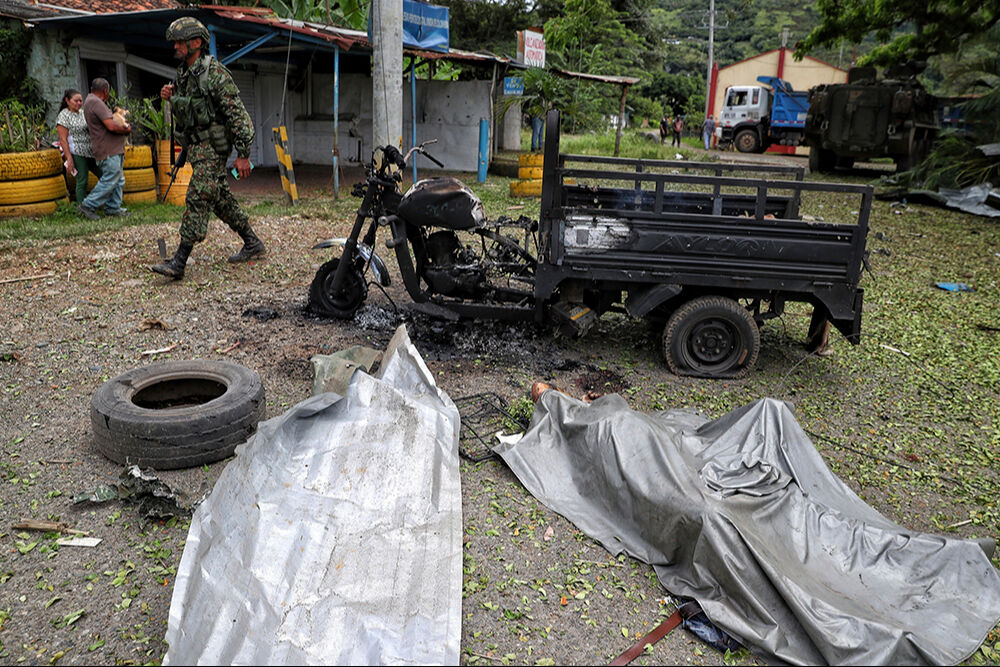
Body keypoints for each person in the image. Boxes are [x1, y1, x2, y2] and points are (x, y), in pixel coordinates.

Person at [151, 17, 263, 280]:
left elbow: (238, 116)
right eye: (175, 41)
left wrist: (244, 155)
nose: (176, 46)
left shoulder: (215, 74)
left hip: (213, 146)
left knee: (198, 195)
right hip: (197, 147)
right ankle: (253, 242)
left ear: (197, 43)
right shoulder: (184, 75)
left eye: (181, 41)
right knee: (219, 199)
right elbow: (191, 112)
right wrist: (171, 96)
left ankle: (179, 261)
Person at [79, 78, 131, 219]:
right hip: (108, 149)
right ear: (105, 91)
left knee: (118, 179)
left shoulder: (91, 102)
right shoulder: (96, 102)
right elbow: (111, 126)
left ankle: (113, 208)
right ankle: (88, 205)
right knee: (110, 178)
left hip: (111, 148)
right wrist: (126, 130)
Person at [55, 89, 100, 203]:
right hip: (77, 152)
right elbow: (63, 139)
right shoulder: (63, 115)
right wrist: (69, 158)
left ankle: (103, 203)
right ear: (67, 101)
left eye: (81, 101)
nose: (79, 103)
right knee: (83, 179)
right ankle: (82, 208)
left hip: (90, 151)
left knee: (104, 175)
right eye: (76, 101)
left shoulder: (83, 113)